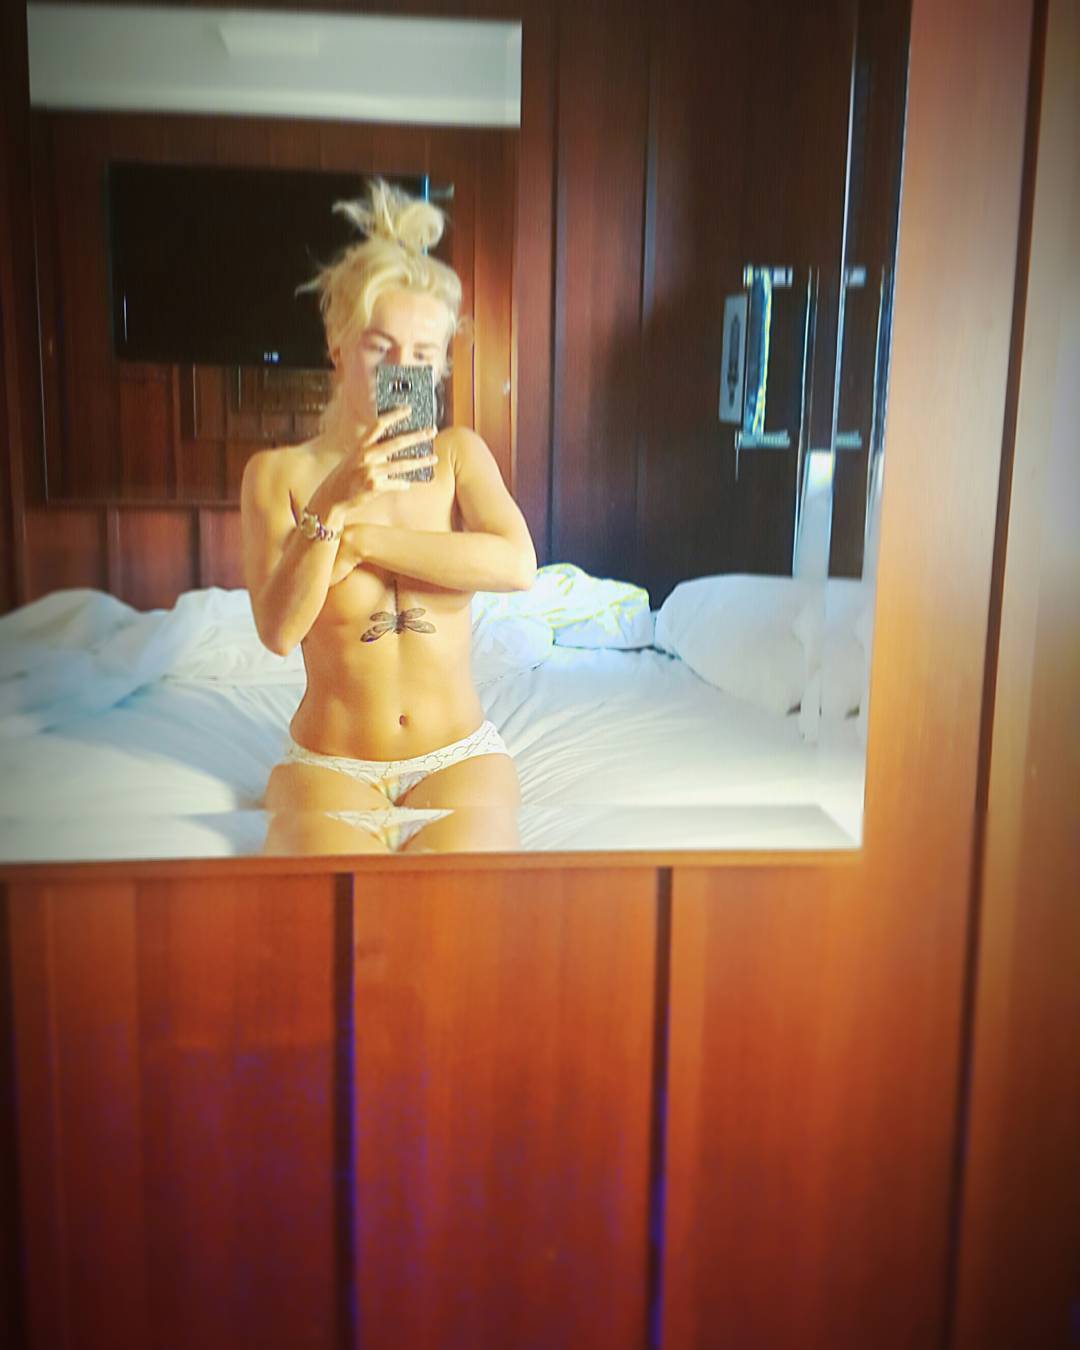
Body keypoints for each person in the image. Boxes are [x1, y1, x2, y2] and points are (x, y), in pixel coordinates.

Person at [242, 179, 536, 853]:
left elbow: (517, 565)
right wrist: (335, 499)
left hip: (457, 756)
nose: (402, 371)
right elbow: (279, 631)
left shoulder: (458, 454)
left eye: (423, 356)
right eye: (381, 348)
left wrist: (364, 540)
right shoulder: (279, 474)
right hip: (329, 763)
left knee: (461, 908)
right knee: (331, 907)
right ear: (339, 347)